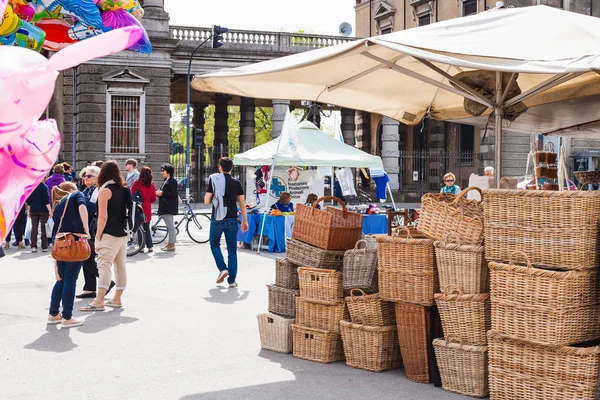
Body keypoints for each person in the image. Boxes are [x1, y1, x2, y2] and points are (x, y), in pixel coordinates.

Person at [81, 161, 130, 311]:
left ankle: (99, 300)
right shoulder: (124, 189)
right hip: (122, 233)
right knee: (120, 267)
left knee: (103, 266)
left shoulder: (105, 191)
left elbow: (102, 217)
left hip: (109, 232)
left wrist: (98, 236)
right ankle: (117, 299)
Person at [48, 181, 90, 328]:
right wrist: (87, 229)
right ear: (72, 189)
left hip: (60, 244)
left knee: (61, 279)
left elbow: (55, 231)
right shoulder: (76, 195)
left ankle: (53, 314)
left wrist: (54, 260)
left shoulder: (58, 204)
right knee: (70, 280)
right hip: (74, 243)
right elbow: (83, 208)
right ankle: (67, 317)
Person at [205, 157, 248, 288]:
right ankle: (232, 281)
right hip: (232, 220)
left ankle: (222, 268)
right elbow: (242, 204)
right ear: (231, 168)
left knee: (214, 244)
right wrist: (245, 221)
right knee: (232, 250)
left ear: (220, 167)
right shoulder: (237, 183)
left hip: (217, 219)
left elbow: (207, 201)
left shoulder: (214, 180)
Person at [76, 166, 115, 299]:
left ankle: (106, 282)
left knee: (86, 258)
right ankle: (89, 288)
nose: (85, 178)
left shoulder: (98, 190)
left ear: (96, 178)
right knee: (87, 257)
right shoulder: (86, 190)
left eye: (88, 176)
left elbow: (93, 209)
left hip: (93, 229)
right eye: (84, 176)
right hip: (87, 228)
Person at [131, 166, 157, 253]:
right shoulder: (152, 185)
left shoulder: (136, 183)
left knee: (139, 228)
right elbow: (153, 198)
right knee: (147, 228)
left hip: (139, 207)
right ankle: (150, 247)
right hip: (147, 207)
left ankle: (141, 247)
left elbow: (131, 194)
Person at [157, 163, 178, 252]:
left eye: (163, 171)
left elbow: (174, 194)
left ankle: (172, 244)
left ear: (168, 172)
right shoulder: (166, 180)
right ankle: (170, 243)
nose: (162, 172)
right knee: (170, 225)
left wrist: (162, 193)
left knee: (170, 226)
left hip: (169, 206)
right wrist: (159, 193)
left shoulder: (172, 181)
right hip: (165, 206)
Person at [26, 180, 52, 252]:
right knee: (44, 228)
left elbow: (28, 201)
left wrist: (28, 210)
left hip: (33, 209)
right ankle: (44, 246)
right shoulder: (44, 186)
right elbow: (46, 200)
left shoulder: (31, 187)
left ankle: (33, 246)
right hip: (43, 209)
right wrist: (50, 210)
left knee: (34, 228)